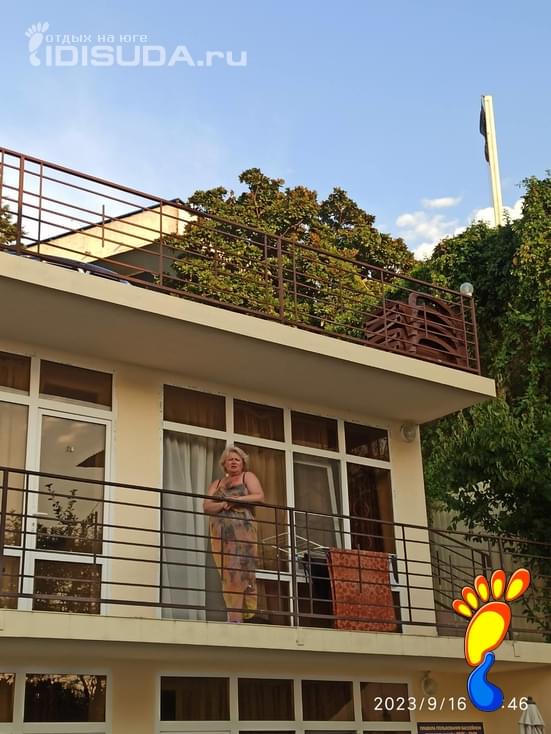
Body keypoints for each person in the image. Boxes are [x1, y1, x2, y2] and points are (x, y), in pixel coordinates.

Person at [203, 446, 264, 622]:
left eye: (237, 459)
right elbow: (206, 506)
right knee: (228, 574)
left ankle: (238, 618)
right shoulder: (217, 483)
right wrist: (223, 504)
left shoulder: (247, 476)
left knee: (240, 572)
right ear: (224, 464)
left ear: (243, 463)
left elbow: (259, 496)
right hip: (221, 536)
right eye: (230, 459)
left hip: (243, 532)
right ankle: (234, 617)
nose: (234, 462)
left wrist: (236, 500)